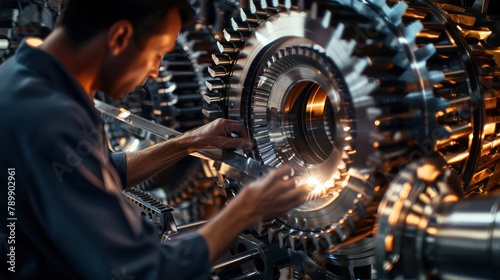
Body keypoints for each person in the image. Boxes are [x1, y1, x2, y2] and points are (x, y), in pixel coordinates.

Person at [0, 0, 309, 279]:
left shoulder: (18, 78)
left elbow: (96, 171)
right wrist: (246, 211)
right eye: (157, 53)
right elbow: (149, 271)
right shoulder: (52, 119)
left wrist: (187, 142)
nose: (156, 71)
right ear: (120, 37)